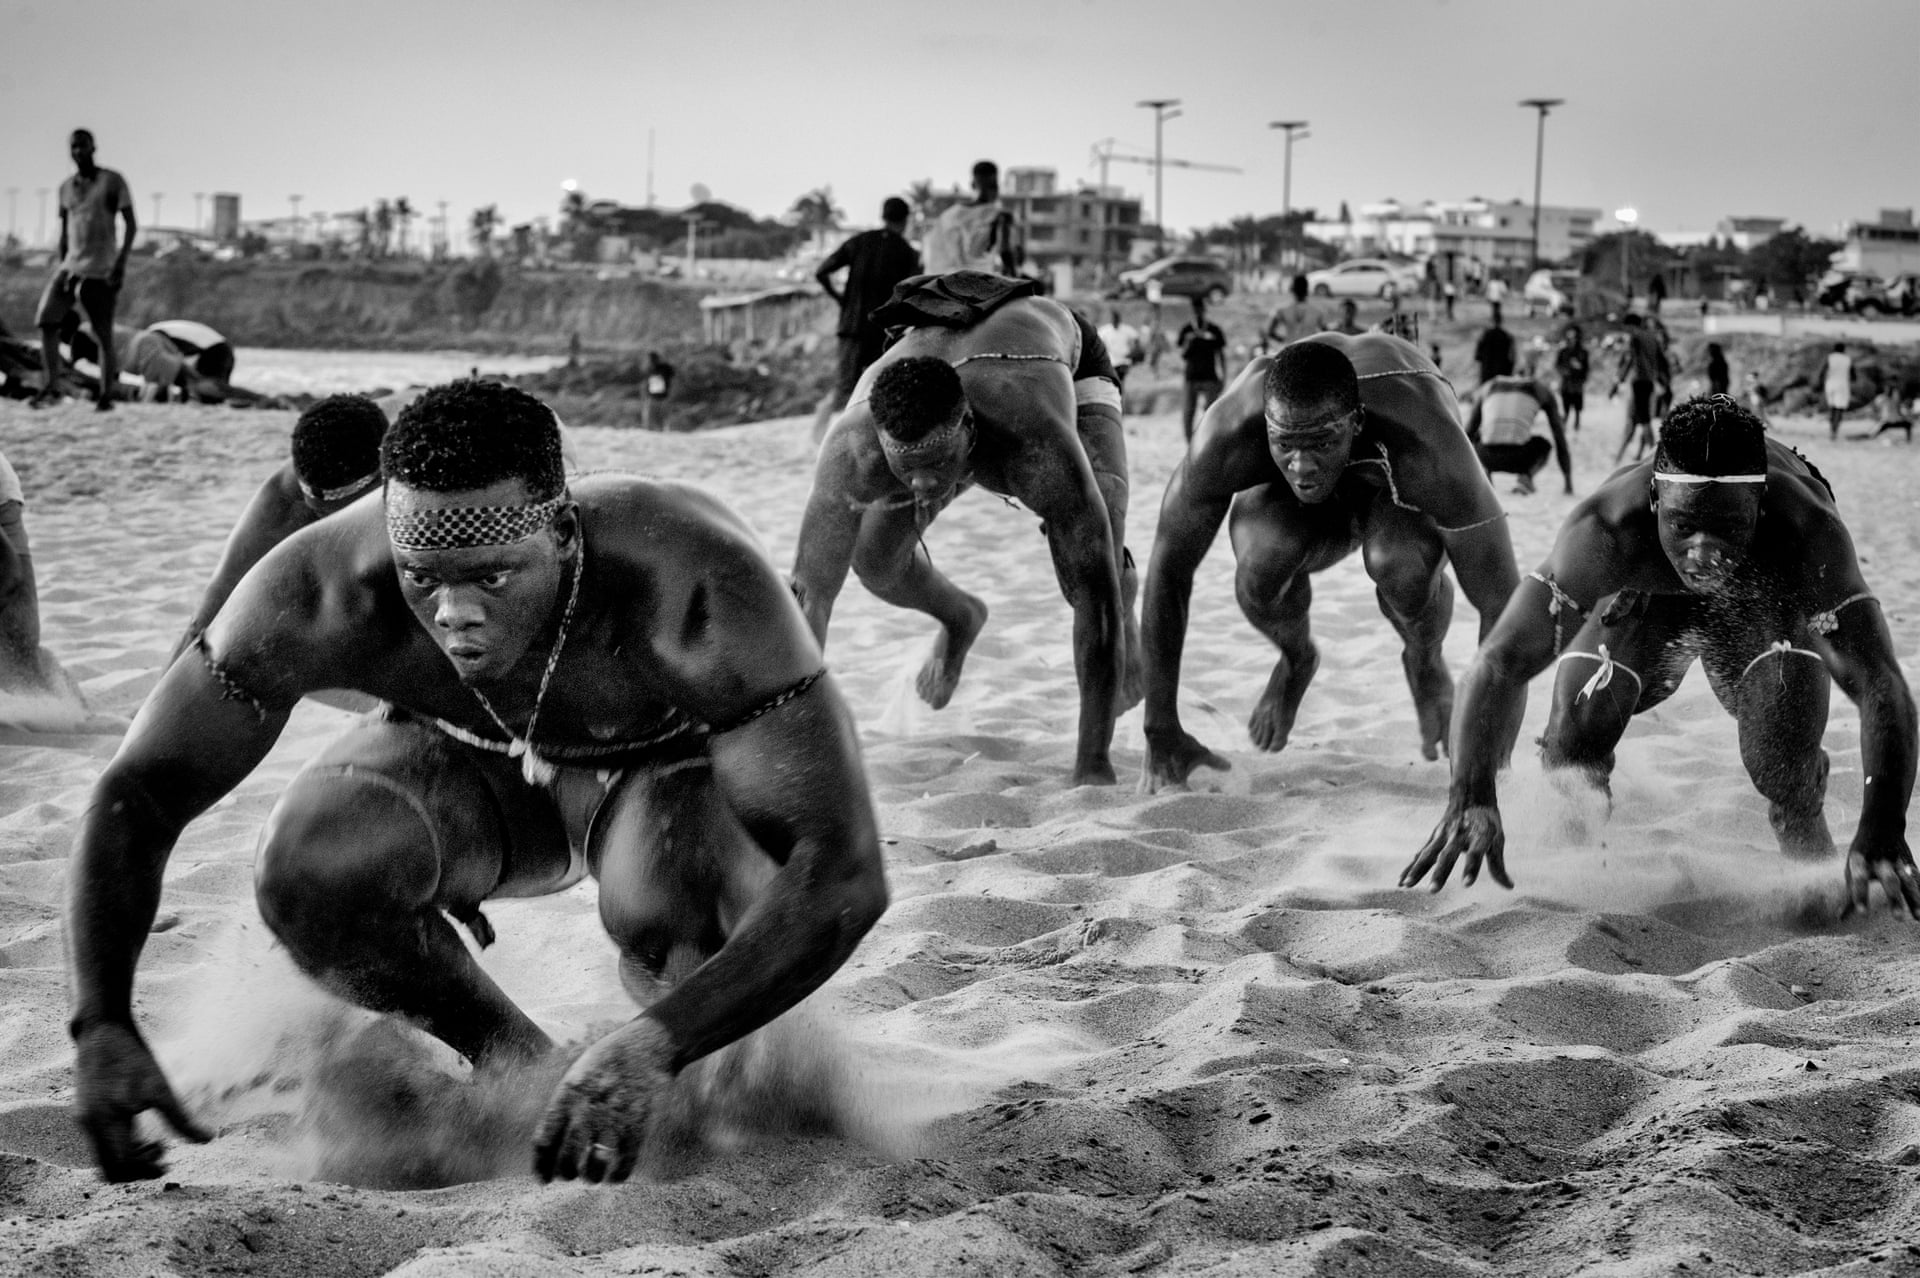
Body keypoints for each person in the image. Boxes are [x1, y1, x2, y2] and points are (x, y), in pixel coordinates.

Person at [65, 379, 889, 1184]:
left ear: (564, 534)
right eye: (424, 577)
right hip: (472, 771)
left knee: (679, 899)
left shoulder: (694, 585)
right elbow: (139, 793)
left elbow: (842, 871)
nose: (454, 611)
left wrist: (657, 1042)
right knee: (315, 865)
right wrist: (101, 1020)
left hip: (660, 772)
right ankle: (521, 1067)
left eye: (492, 577)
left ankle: (695, 1068)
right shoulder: (323, 590)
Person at [1405, 395, 1920, 918]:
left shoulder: (1807, 529)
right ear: (1655, 498)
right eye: (1684, 526)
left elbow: (1881, 681)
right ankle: (1573, 876)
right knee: (1573, 742)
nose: (1702, 552)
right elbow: (1498, 662)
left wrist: (1882, 827)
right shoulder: (1605, 530)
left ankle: (1811, 849)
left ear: (1760, 506)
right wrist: (1469, 794)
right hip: (1645, 595)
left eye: (1726, 528)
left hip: (1766, 597)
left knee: (1779, 760)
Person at [790, 271, 1134, 785]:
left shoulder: (1033, 436)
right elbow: (810, 598)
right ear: (881, 444)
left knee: (1091, 555)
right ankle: (960, 618)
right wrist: (798, 743)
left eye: (935, 465)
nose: (924, 485)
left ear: (969, 429)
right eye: (905, 469)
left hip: (1057, 359)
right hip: (935, 368)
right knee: (875, 560)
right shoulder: (851, 450)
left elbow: (1094, 595)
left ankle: (1132, 628)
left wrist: (1093, 763)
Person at [1139, 333, 1520, 789]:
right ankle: (1297, 660)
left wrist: (1482, 777)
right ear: (1266, 426)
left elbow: (1504, 605)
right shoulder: (1230, 431)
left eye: (1320, 443)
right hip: (1303, 503)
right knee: (1261, 564)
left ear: (1356, 422)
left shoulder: (1427, 443)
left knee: (1398, 565)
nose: (1301, 466)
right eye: (1285, 445)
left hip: (1392, 486)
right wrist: (1159, 733)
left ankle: (1423, 659)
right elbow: (1168, 566)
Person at [171, 394, 389, 659]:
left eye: (345, 511)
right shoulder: (283, 500)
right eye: (318, 513)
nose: (332, 523)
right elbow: (209, 614)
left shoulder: (424, 471)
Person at [32, 129, 136, 411]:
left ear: (93, 148)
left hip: (101, 269)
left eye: (83, 146)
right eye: (74, 147)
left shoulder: (112, 181)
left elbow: (130, 224)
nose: (79, 152)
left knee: (103, 334)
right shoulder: (66, 188)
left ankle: (106, 395)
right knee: (46, 321)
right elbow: (65, 231)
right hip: (70, 267)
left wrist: (120, 264)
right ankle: (51, 385)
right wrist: (62, 263)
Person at [814, 197, 923, 413]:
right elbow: (911, 293)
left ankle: (835, 435)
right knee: (881, 387)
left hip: (851, 327)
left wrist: (840, 299)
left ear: (883, 216)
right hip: (883, 332)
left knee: (847, 387)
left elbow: (821, 271)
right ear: (905, 220)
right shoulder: (907, 252)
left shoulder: (859, 241)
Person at [65, 318, 235, 403]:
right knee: (210, 391)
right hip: (222, 347)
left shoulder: (154, 338)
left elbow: (171, 359)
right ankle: (247, 398)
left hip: (215, 350)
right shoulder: (149, 335)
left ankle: (252, 398)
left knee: (205, 388)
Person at [1464, 374, 1572, 496]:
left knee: (1479, 436)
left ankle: (1485, 475)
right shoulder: (1539, 389)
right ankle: (1525, 478)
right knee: (1544, 445)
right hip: (1521, 458)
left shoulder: (1490, 386)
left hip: (1486, 457)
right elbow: (1559, 437)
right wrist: (1568, 482)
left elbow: (1468, 432)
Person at [922, 161, 1017, 276]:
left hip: (956, 282)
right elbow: (1004, 253)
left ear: (972, 184)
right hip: (974, 283)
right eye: (991, 186)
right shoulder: (997, 216)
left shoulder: (952, 215)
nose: (991, 192)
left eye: (992, 186)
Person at [1611, 313, 1668, 463]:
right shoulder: (1652, 338)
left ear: (1631, 325)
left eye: (1627, 327)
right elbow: (1662, 360)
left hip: (1639, 381)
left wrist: (1618, 382)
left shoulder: (1635, 338)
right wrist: (1660, 379)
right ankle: (1620, 455)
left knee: (1644, 420)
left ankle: (1655, 456)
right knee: (1637, 418)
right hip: (1649, 382)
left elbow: (1632, 360)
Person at [1177, 296, 1228, 442]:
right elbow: (1182, 355)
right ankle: (1190, 445)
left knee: (1211, 413)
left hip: (1209, 376)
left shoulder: (1214, 330)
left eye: (1199, 309)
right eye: (1195, 310)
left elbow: (1221, 355)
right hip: (1191, 376)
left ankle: (1208, 443)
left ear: (1204, 310)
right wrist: (1189, 341)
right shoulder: (1187, 330)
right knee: (1188, 413)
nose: (1197, 313)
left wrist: (1224, 377)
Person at [1263, 275, 1325, 350]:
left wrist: (1283, 340)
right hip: (1310, 351)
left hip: (1290, 350)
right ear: (1307, 290)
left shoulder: (1282, 310)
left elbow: (1269, 332)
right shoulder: (1317, 311)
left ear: (1292, 289)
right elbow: (1325, 333)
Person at [1096, 308, 1142, 396]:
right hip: (1111, 361)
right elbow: (1098, 342)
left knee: (1120, 380)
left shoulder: (1126, 329)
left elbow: (1136, 338)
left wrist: (1134, 351)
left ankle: (1120, 397)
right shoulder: (1105, 330)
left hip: (1123, 361)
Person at [1553, 324, 1590, 432]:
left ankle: (1577, 424)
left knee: (1577, 405)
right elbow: (1558, 365)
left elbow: (1586, 367)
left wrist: (1581, 371)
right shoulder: (1563, 351)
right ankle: (1564, 423)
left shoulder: (1583, 352)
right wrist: (1564, 371)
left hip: (1577, 382)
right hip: (1567, 381)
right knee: (1566, 404)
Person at [1473, 305, 1515, 386]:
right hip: (1503, 376)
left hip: (1487, 376)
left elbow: (1477, 356)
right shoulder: (1507, 337)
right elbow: (1512, 359)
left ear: (1492, 321)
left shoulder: (1484, 336)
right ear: (1501, 321)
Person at [1823, 342, 1853, 441]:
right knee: (1839, 409)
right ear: (1843, 349)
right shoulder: (1847, 359)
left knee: (1832, 408)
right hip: (1842, 385)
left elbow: (1823, 371)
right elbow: (1853, 375)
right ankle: (1835, 431)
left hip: (1830, 384)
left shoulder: (1830, 357)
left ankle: (1831, 429)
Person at [641, 351, 673, 430]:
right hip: (652, 398)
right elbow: (646, 383)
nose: (650, 361)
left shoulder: (665, 368)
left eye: (651, 359)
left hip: (664, 398)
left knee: (663, 421)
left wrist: (671, 394)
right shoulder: (648, 369)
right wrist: (645, 395)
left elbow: (673, 380)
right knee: (649, 421)